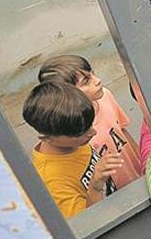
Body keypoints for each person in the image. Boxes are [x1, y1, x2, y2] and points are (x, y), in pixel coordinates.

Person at [38, 55, 142, 189]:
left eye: (92, 73)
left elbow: (122, 131)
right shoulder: (75, 134)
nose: (97, 80)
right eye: (86, 81)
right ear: (68, 94)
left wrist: (144, 163)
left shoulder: (105, 96)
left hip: (140, 178)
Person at [23, 81, 123, 218]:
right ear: (47, 138)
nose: (93, 132)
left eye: (90, 125)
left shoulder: (73, 140)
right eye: (80, 133)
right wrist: (95, 185)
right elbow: (86, 226)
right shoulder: (52, 181)